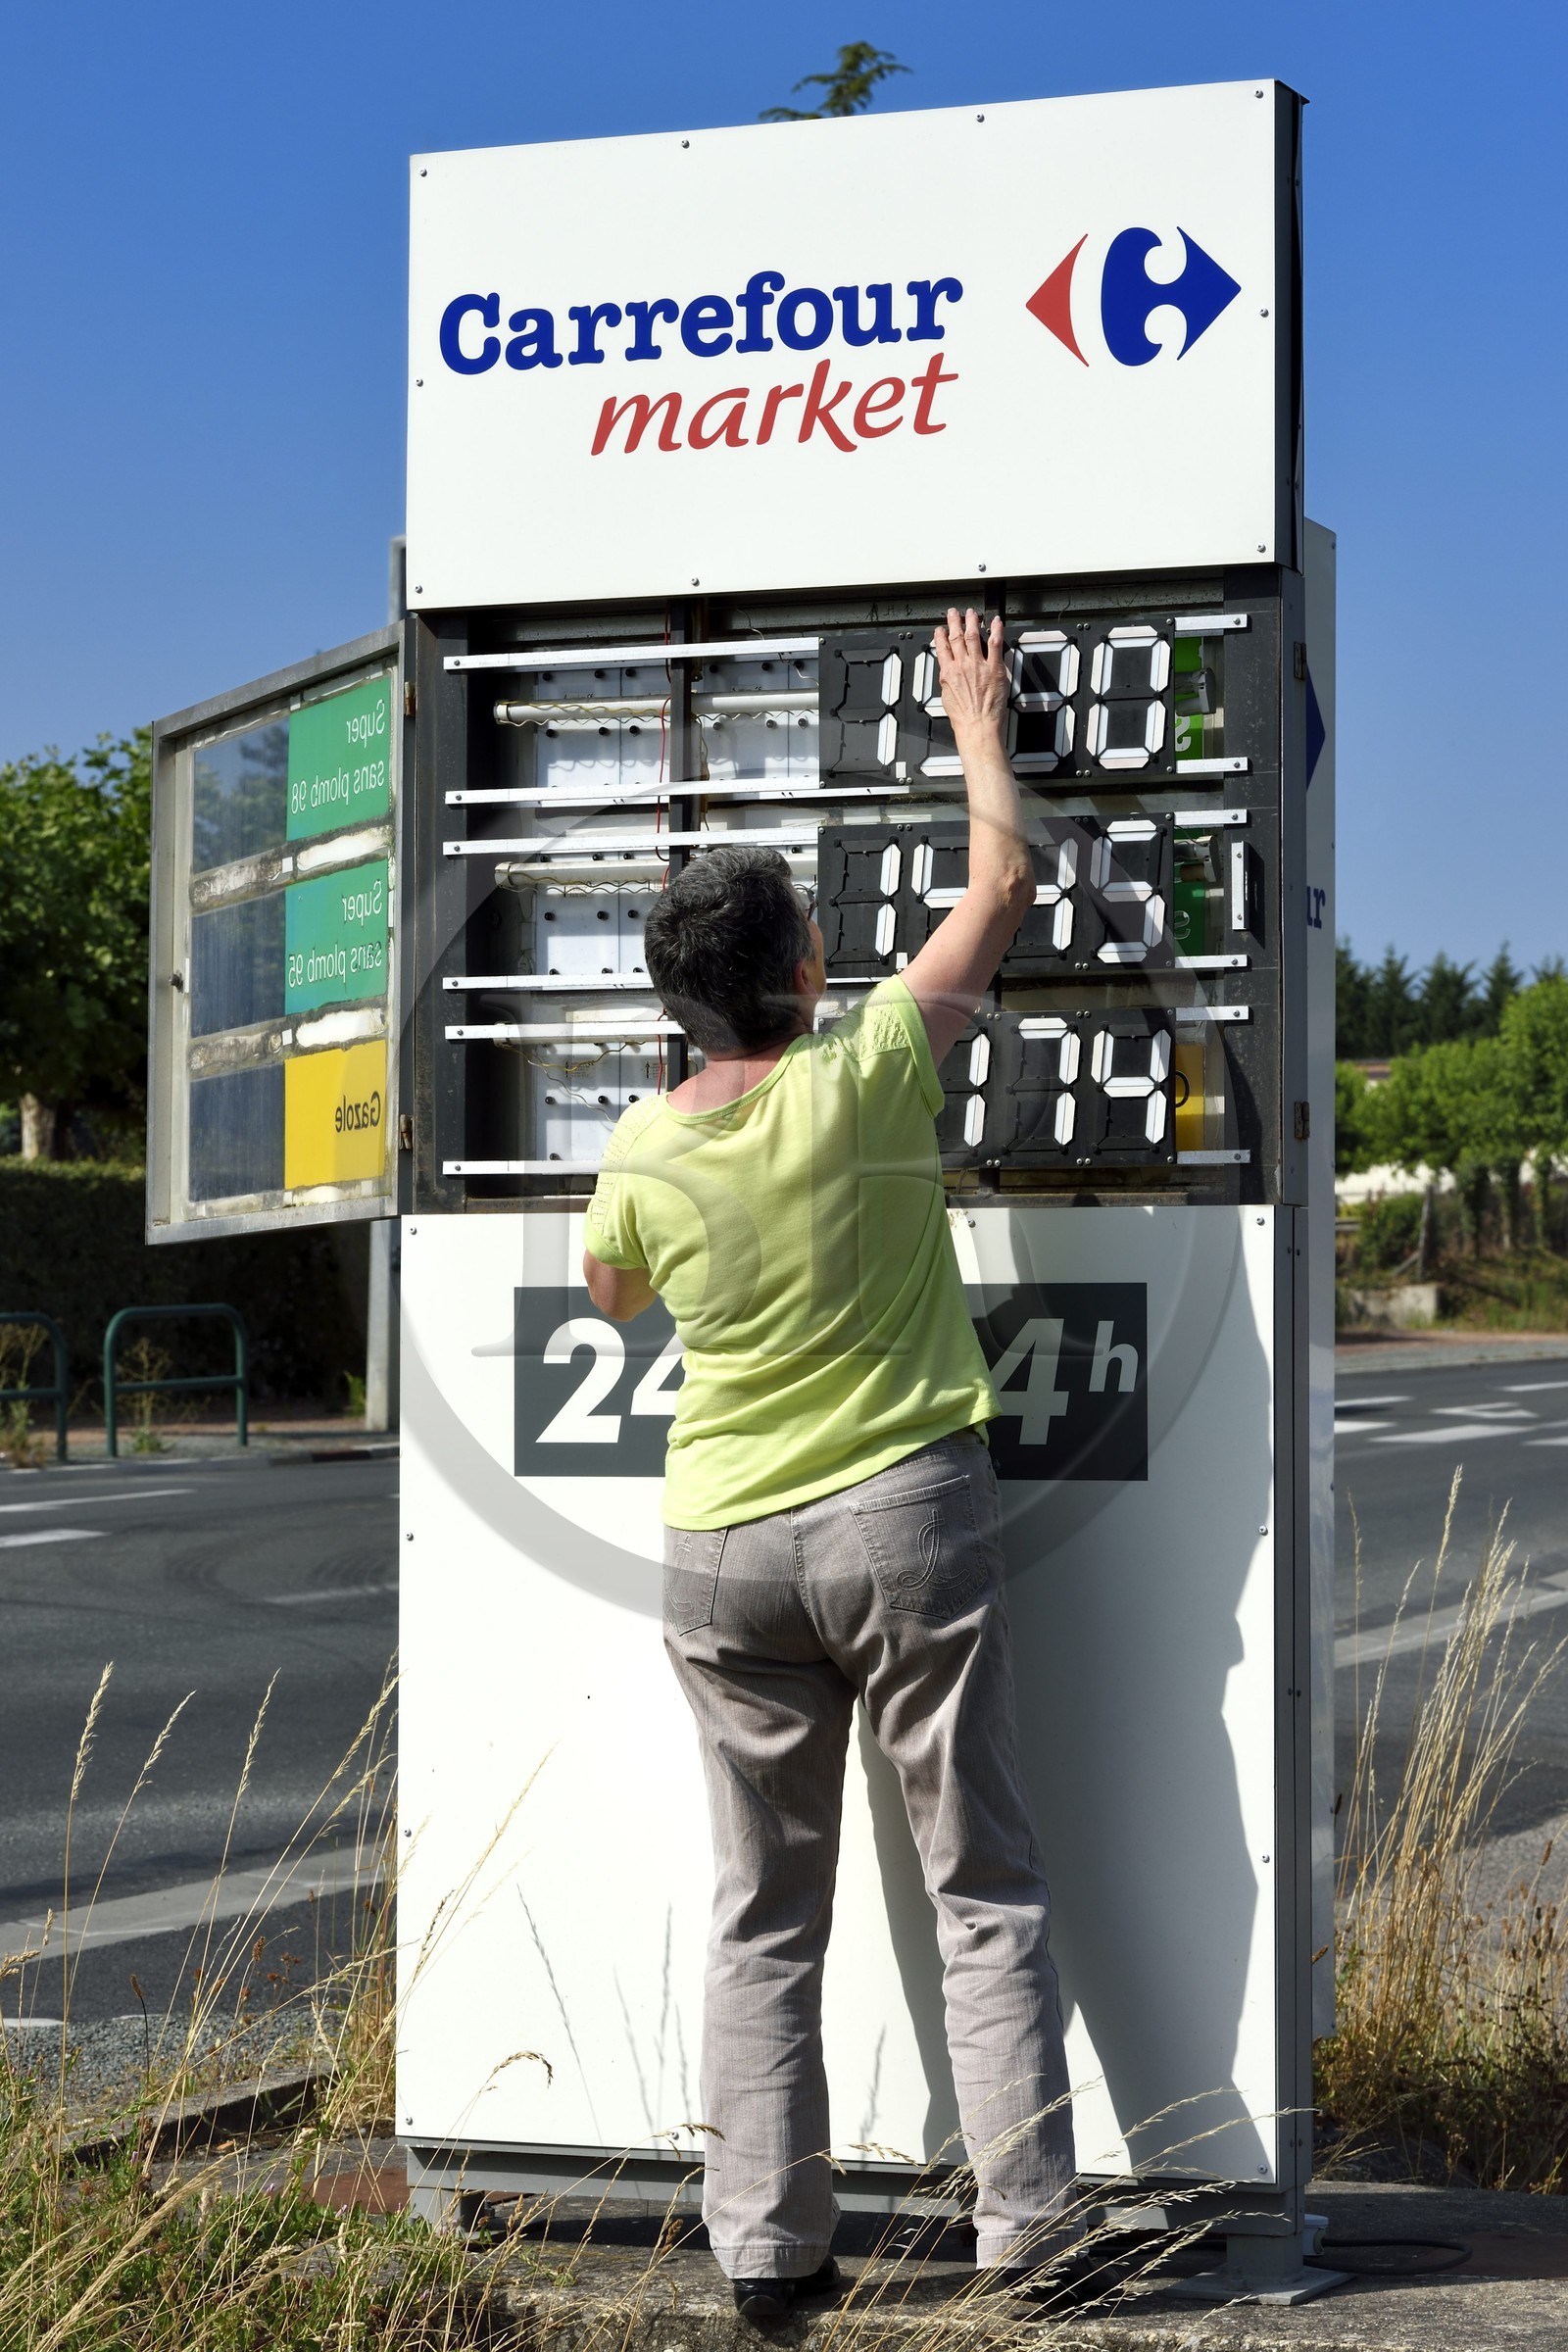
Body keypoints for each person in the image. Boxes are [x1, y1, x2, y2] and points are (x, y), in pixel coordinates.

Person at [581, 609, 1082, 2320]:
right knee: (984, 1879)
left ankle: (768, 2255)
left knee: (760, 1908)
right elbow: (999, 897)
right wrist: (975, 726)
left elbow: (608, 1284)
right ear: (803, 975)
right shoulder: (869, 1073)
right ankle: (1029, 2231)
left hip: (720, 1548)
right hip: (902, 1519)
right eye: (811, 932)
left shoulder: (642, 1146)